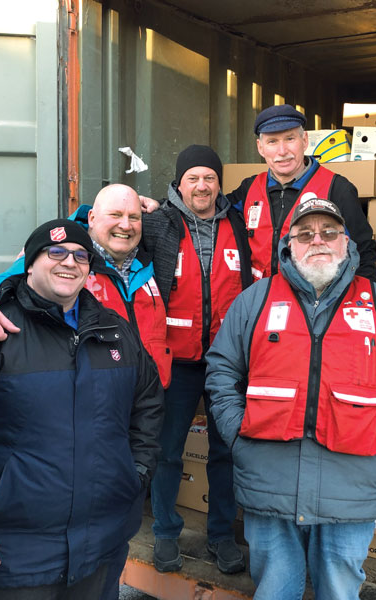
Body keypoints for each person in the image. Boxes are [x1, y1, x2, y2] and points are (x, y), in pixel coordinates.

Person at [0, 219, 164, 599]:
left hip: (101, 548)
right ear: (29, 263)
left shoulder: (114, 333)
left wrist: (135, 474)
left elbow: (148, 404)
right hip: (10, 556)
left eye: (81, 255)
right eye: (56, 252)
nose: (70, 262)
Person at [204, 198, 376, 600]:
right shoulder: (256, 301)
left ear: (347, 242)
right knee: (274, 589)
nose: (318, 241)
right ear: (288, 245)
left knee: (340, 591)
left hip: (353, 484)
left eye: (329, 232)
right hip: (268, 478)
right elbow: (222, 371)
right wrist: (237, 436)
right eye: (305, 234)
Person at [142, 144, 253, 575]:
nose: (202, 185)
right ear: (179, 183)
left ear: (219, 183)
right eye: (193, 178)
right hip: (176, 358)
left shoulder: (239, 223)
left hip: (228, 360)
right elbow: (106, 227)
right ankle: (166, 533)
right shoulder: (158, 223)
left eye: (209, 177)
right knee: (167, 451)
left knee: (225, 451)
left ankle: (222, 536)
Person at [0, 184, 171, 389]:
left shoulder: (150, 259)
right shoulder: (62, 258)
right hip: (93, 397)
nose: (126, 225)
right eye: (115, 215)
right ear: (92, 217)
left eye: (134, 217)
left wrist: (159, 205)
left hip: (151, 394)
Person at [225, 103, 376, 281]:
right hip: (261, 301)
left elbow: (363, 253)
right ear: (260, 147)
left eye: (290, 139)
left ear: (304, 140)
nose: (282, 151)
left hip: (315, 304)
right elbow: (210, 212)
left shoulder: (337, 189)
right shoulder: (248, 189)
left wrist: (362, 299)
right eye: (272, 141)